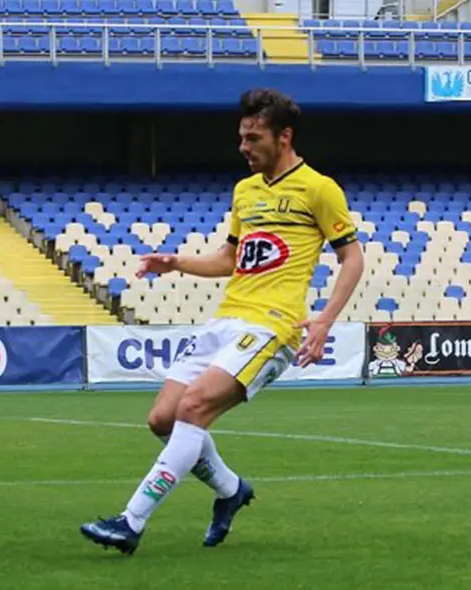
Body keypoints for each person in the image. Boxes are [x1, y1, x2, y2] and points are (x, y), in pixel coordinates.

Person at [80, 88, 365, 555]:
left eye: (253, 138)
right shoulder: (245, 191)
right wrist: (176, 262)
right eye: (241, 137)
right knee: (162, 419)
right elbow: (230, 259)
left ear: (285, 136)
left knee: (192, 408)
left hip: (274, 326)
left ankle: (130, 522)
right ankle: (231, 490)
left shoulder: (318, 188)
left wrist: (325, 320)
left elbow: (352, 258)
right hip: (227, 318)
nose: (244, 147)